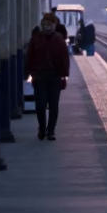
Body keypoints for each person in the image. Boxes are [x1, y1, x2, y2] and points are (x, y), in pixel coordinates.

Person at [26, 13, 71, 141]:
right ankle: (42, 128)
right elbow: (29, 56)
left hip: (55, 76)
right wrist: (29, 72)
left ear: (54, 25)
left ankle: (51, 131)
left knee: (53, 105)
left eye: (49, 25)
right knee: (40, 104)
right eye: (45, 25)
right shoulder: (36, 39)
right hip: (39, 76)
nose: (47, 27)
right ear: (42, 25)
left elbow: (65, 58)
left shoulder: (59, 39)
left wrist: (64, 74)